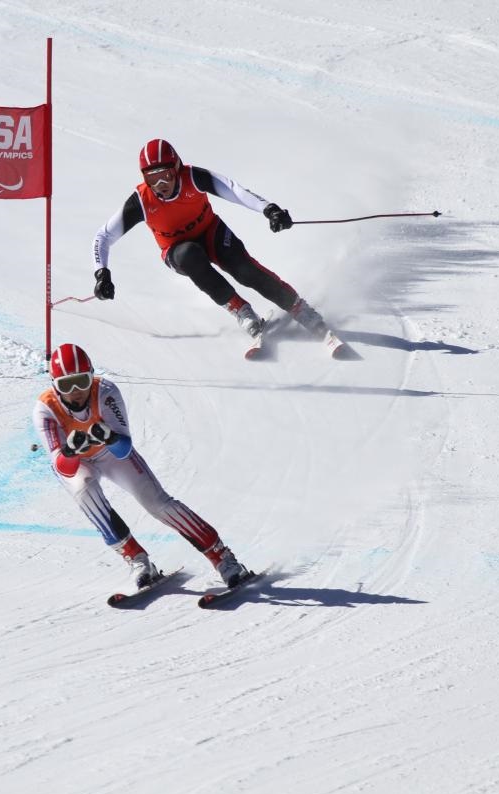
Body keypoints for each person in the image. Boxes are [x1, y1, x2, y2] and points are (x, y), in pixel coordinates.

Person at [33, 342, 251, 590]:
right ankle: (137, 559)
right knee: (84, 491)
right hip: (76, 462)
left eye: (81, 381)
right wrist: (71, 452)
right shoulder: (45, 409)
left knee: (157, 503)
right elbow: (64, 468)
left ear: (92, 376)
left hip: (110, 453)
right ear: (54, 385)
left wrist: (110, 438)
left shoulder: (105, 391)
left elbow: (124, 448)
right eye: (65, 385)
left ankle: (223, 558)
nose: (75, 392)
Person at [91, 137, 336, 343]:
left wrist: (270, 209)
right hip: (176, 250)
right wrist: (102, 273)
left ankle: (299, 308)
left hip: (210, 232)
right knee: (190, 256)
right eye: (152, 179)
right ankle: (240, 309)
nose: (161, 185)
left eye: (165, 175)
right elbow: (103, 236)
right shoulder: (141, 201)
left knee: (245, 270)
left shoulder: (194, 177)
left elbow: (234, 190)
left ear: (176, 168)